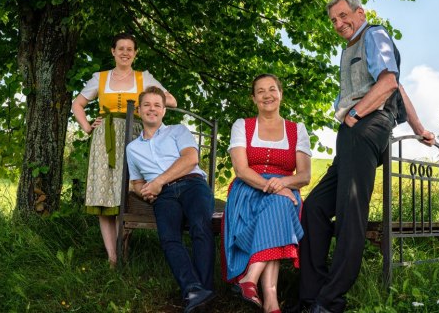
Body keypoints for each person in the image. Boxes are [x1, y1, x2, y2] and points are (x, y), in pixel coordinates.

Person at [292, 0, 435, 313]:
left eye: (344, 16)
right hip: (353, 131)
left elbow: (388, 82)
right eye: (333, 20)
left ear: (360, 13)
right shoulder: (352, 46)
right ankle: (311, 297)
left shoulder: (375, 34)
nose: (339, 24)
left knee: (349, 214)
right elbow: (398, 87)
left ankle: (330, 302)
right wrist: (418, 127)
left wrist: (355, 115)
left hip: (364, 125)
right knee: (314, 207)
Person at [71, 33, 177, 267]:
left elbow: (171, 101)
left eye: (130, 49)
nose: (125, 52)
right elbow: (77, 104)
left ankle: (124, 243)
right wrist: (88, 127)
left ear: (135, 53)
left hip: (135, 137)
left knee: (128, 191)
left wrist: (147, 104)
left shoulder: (144, 77)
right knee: (105, 193)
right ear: (113, 51)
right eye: (121, 48)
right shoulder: (100, 78)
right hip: (104, 139)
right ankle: (112, 256)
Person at [222, 74, 312, 313]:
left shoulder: (297, 129)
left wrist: (281, 184)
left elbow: (304, 176)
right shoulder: (242, 125)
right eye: (260, 91)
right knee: (280, 207)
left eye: (272, 89)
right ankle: (270, 298)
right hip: (248, 189)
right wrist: (274, 187)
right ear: (253, 98)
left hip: (284, 190)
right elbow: (241, 170)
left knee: (278, 207)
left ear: (280, 94)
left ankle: (250, 281)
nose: (267, 95)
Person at [125, 86, 216, 313]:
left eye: (157, 105)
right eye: (147, 105)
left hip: (192, 184)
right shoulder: (132, 148)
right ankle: (194, 291)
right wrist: (144, 190)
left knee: (200, 227)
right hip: (163, 197)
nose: (152, 109)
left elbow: (190, 159)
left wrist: (158, 181)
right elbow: (136, 182)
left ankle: (203, 296)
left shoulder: (178, 131)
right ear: (139, 110)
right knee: (168, 238)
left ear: (164, 111)